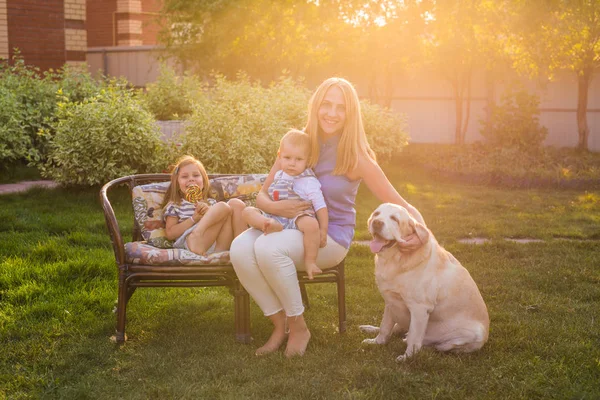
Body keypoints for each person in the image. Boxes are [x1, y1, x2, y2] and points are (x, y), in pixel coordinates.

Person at [230, 77, 425, 357]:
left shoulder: (356, 156)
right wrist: (278, 209)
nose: (332, 113)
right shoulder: (298, 144)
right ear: (316, 106)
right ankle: (279, 323)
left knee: (267, 248)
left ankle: (299, 327)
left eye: (341, 107)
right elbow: (262, 196)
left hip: (329, 237)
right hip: (287, 225)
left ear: (350, 114)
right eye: (327, 104)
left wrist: (423, 235)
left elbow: (399, 202)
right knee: (239, 248)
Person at [242, 129, 328, 280]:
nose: (292, 163)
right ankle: (266, 223)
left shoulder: (308, 181)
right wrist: (270, 211)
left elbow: (320, 206)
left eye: (298, 159)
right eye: (287, 158)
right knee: (247, 211)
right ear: (279, 156)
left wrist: (323, 229)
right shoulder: (278, 175)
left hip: (298, 217)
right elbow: (265, 195)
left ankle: (310, 261)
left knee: (311, 225)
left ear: (307, 160)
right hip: (275, 216)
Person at [163, 155, 246, 255]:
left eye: (196, 175)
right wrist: (194, 218)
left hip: (215, 244)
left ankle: (239, 248)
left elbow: (220, 223)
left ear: (203, 180)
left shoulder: (210, 203)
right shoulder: (175, 205)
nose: (191, 179)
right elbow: (170, 234)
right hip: (192, 243)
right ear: (177, 182)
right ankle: (196, 234)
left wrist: (209, 212)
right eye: (185, 176)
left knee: (234, 204)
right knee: (223, 207)